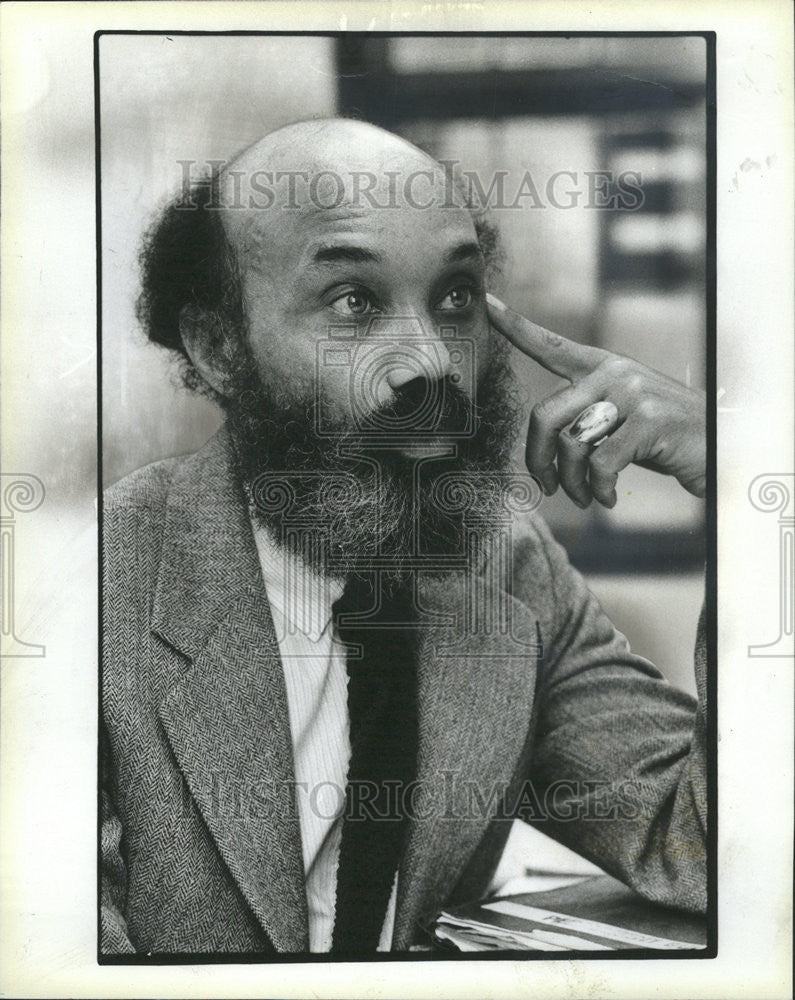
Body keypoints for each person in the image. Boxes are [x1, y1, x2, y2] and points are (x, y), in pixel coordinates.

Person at [101, 118, 707, 955]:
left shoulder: (506, 561)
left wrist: (750, 484)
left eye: (454, 298)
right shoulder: (88, 590)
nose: (429, 363)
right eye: (352, 302)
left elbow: (710, 846)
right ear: (218, 347)